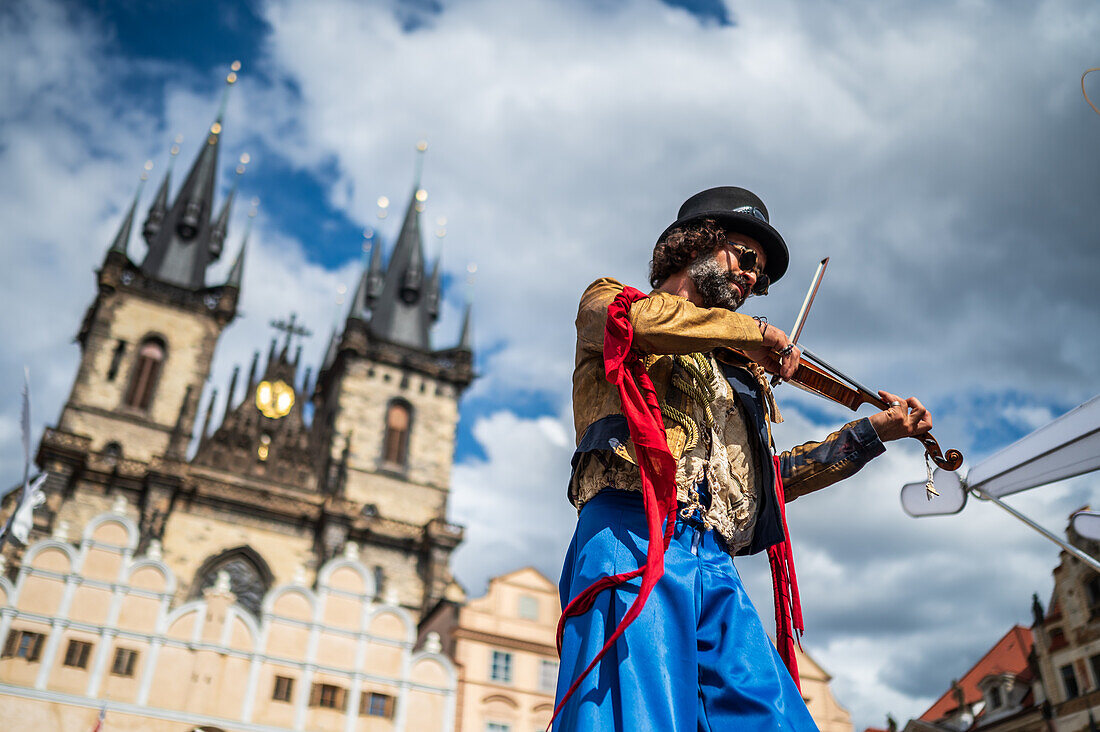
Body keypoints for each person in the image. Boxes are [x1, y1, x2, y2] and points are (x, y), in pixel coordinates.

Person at [552, 186, 933, 731]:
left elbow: (765, 485)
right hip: (633, 534)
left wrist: (872, 432)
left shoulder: (735, 373)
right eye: (746, 258)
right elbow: (637, 322)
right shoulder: (611, 300)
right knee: (638, 718)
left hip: (714, 560)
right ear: (695, 244)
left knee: (775, 718)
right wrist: (753, 335)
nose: (754, 279)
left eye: (763, 276)